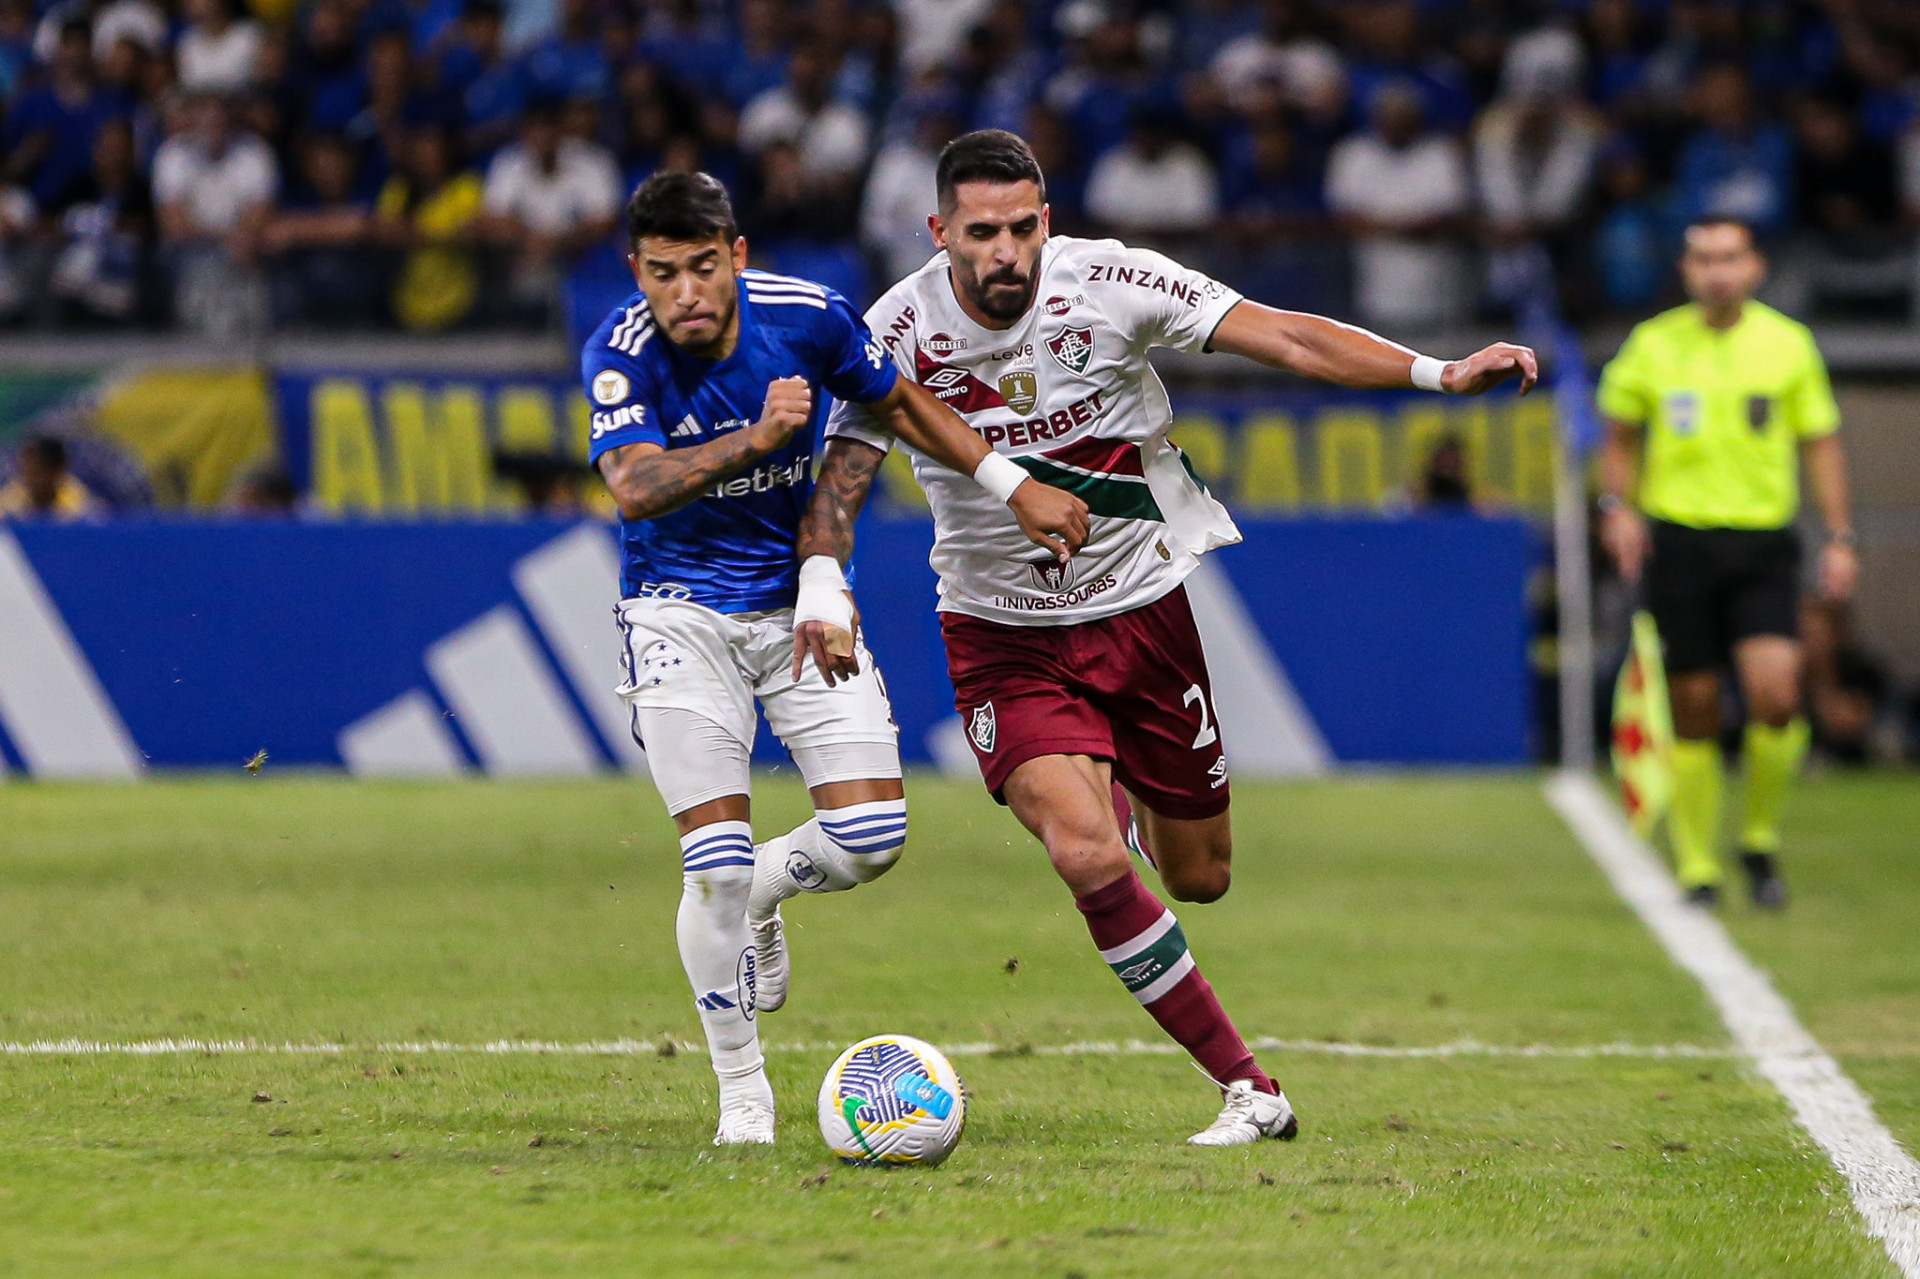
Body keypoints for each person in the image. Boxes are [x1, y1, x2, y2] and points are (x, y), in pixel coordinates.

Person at [809, 129, 1535, 1146]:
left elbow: (1282, 335)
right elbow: (840, 478)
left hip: (1144, 612)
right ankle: (1249, 1085)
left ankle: (1126, 791)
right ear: (940, 232)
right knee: (1084, 852)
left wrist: (1437, 373)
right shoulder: (894, 332)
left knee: (1200, 874)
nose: (1006, 251)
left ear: (1046, 220)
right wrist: (823, 588)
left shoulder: (1110, 280)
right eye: (982, 234)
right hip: (1001, 634)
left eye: (1023, 227)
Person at [582, 171, 1084, 1146]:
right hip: (676, 614)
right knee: (713, 863)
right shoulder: (620, 348)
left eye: (699, 268)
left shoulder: (809, 317)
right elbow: (635, 486)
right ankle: (744, 1097)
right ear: (634, 271)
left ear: (735, 256)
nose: (682, 293)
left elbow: (896, 405)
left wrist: (1010, 483)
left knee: (872, 837)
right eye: (659, 273)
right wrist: (758, 438)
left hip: (797, 606)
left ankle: (771, 891)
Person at [1597, 217, 1857, 910]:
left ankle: (1760, 836)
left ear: (1755, 266)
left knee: (1775, 693)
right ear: (1686, 270)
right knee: (1695, 703)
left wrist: (1839, 535)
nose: (1718, 271)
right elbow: (1617, 437)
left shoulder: (1788, 345)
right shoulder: (1653, 345)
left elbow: (1822, 443)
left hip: (1763, 543)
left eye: (1730, 257)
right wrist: (1615, 506)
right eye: (1704, 258)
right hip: (1679, 540)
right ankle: (1697, 860)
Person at [0, 435, 99, 519]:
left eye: (36, 472)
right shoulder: (8, 501)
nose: (28, 479)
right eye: (24, 471)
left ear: (56, 471)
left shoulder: (81, 505)